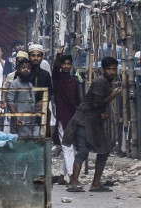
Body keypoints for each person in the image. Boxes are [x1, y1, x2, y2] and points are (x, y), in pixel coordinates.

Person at [63, 56, 121, 193]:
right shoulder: (100, 81)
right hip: (84, 119)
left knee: (104, 150)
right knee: (83, 151)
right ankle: (74, 182)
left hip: (94, 121)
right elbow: (95, 103)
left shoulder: (107, 82)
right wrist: (113, 96)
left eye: (114, 69)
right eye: (109, 69)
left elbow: (99, 104)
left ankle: (96, 183)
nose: (112, 72)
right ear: (103, 70)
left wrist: (104, 113)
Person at [52, 49, 81, 185]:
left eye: (68, 64)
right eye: (64, 64)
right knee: (67, 147)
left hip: (73, 117)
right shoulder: (57, 79)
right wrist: (58, 55)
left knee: (70, 148)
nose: (66, 66)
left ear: (71, 65)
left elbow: (78, 100)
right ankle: (72, 176)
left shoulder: (74, 81)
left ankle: (62, 175)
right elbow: (55, 68)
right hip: (62, 117)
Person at [6, 59, 38, 137]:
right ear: (19, 69)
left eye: (28, 68)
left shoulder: (30, 83)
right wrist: (16, 117)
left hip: (31, 122)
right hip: (20, 122)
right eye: (23, 67)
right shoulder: (15, 84)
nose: (26, 70)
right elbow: (10, 101)